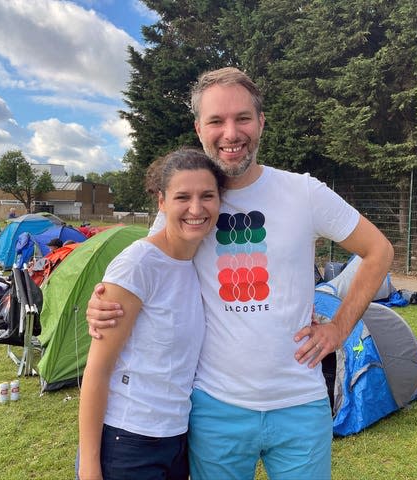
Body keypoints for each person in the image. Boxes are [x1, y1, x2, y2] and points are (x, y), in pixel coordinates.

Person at [86, 67, 394, 480]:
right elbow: (148, 268)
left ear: (261, 122)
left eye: (242, 118)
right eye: (216, 120)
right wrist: (102, 301)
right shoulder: (187, 204)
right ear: (199, 129)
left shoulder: (304, 193)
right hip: (215, 408)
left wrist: (338, 328)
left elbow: (378, 251)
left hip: (299, 403)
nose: (231, 133)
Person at [77, 148, 224, 480]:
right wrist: (89, 467)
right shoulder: (139, 264)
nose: (196, 208)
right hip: (127, 440)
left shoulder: (199, 260)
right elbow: (97, 372)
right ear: (162, 201)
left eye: (207, 196)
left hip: (176, 439)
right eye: (182, 197)